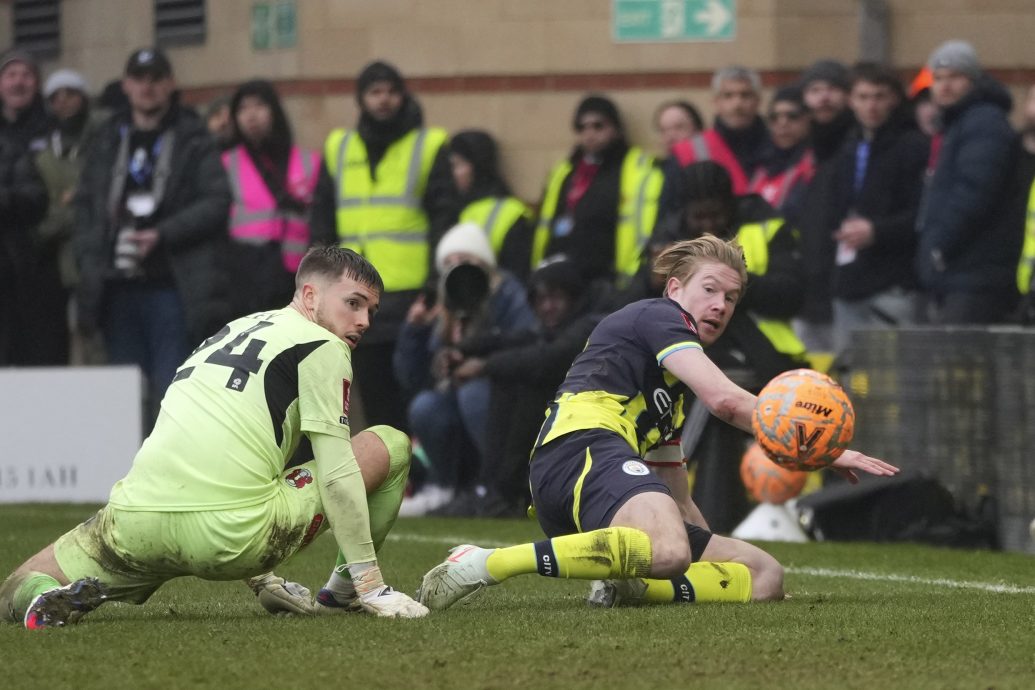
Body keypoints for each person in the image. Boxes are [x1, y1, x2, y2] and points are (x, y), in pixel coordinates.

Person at [416, 236, 898, 611]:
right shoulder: (660, 317)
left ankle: (627, 588)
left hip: (605, 475)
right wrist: (823, 447)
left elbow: (675, 488)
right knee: (668, 551)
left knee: (764, 575)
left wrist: (708, 546)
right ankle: (485, 562)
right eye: (709, 289)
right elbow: (727, 401)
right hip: (579, 447)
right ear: (674, 288)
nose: (720, 305)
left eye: (731, 298)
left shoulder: (673, 383)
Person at [0, 246, 428, 628]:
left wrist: (263, 582)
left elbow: (220, 448)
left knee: (15, 582)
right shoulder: (323, 345)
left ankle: (39, 598)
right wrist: (374, 584)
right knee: (388, 443)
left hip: (135, 520)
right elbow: (337, 472)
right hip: (233, 536)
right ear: (310, 296)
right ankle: (349, 590)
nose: (363, 321)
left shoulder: (230, 331)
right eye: (353, 304)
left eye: (370, 310)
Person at [75, 48, 232, 428]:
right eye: (139, 79)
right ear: (126, 85)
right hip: (115, 286)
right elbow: (85, 205)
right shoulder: (108, 136)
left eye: (156, 79)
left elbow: (217, 201)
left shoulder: (193, 136)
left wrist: (162, 234)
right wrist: (89, 261)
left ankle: (170, 479)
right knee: (123, 395)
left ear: (170, 84)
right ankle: (127, 477)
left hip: (172, 286)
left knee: (172, 387)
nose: (147, 87)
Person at [310, 60, 458, 433]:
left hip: (410, 295)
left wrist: (434, 283)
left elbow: (444, 218)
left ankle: (420, 482)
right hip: (355, 291)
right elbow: (323, 217)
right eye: (375, 92)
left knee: (414, 388)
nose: (383, 100)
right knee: (372, 392)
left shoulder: (428, 145)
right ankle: (389, 480)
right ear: (361, 98)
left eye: (391, 91)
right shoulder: (339, 147)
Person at [394, 222, 536, 516]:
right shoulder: (444, 305)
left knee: (473, 395)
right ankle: (443, 486)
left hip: (502, 397)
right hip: (456, 405)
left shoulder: (507, 295)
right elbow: (413, 379)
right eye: (450, 263)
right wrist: (415, 331)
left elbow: (529, 346)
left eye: (467, 261)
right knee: (425, 406)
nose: (459, 270)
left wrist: (481, 363)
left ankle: (497, 487)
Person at [825, 63, 929, 361]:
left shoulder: (912, 145)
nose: (872, 105)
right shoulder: (847, 145)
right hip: (849, 276)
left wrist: (877, 231)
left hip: (894, 280)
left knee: (896, 367)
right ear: (851, 100)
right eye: (864, 96)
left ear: (894, 99)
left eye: (879, 96)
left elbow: (921, 213)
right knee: (851, 372)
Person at [915, 40, 1020, 324]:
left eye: (955, 77)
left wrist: (939, 245)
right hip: (959, 269)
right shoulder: (958, 123)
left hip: (974, 270)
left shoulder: (984, 122)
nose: (945, 86)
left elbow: (975, 190)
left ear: (973, 80)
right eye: (938, 78)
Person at [532, 94, 662, 290]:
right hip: (562, 279)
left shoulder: (633, 169)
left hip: (609, 280)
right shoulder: (566, 171)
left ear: (616, 129)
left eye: (598, 126)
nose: (589, 134)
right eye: (582, 127)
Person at [223, 79, 319, 318]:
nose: (251, 115)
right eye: (242, 109)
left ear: (274, 111)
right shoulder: (226, 163)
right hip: (245, 277)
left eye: (258, 106)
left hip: (296, 276)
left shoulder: (309, 161)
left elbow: (320, 220)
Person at [35, 69, 104, 365]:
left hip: (104, 257)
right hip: (66, 267)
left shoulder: (105, 141)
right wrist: (74, 206)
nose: (63, 102)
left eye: (70, 94)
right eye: (55, 97)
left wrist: (77, 199)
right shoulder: (44, 157)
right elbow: (44, 220)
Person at [794, 59, 855, 354]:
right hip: (808, 285)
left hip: (846, 284)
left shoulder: (857, 145)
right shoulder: (802, 151)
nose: (824, 97)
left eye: (832, 88)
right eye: (816, 89)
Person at [666, 66, 769, 204]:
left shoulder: (780, 147)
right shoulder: (688, 151)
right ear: (715, 102)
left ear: (758, 101)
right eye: (728, 96)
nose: (737, 104)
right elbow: (670, 211)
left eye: (745, 95)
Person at [452, 129, 534, 282]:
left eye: (457, 165)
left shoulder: (510, 212)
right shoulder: (448, 208)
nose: (452, 174)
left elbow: (518, 275)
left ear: (477, 167)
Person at [749, 85, 815, 226]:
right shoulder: (760, 164)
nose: (783, 123)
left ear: (807, 119)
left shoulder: (814, 164)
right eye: (774, 117)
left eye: (792, 116)